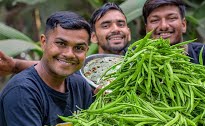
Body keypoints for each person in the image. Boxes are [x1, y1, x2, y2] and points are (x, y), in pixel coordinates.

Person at [0, 11, 94, 126]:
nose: (69, 54)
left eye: (79, 48)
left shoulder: (81, 86)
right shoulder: (22, 92)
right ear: (44, 42)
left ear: (86, 50)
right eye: (61, 44)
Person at [0, 2, 131, 76]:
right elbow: (55, 66)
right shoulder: (85, 70)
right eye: (106, 25)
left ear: (129, 32)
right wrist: (15, 66)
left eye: (121, 24)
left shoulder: (140, 60)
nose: (115, 29)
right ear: (94, 37)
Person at [142, 0, 205, 76]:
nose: (164, 26)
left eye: (171, 18)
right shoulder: (136, 62)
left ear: (183, 25)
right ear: (147, 29)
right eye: (155, 20)